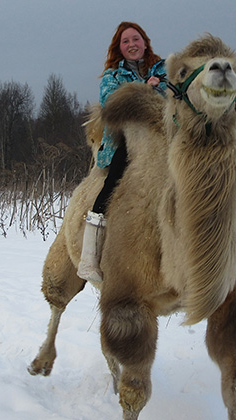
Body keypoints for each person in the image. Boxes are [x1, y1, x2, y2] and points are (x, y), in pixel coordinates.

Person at [77, 21, 167, 284]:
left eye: (136, 39)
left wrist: (159, 86)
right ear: (119, 48)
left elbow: (177, 96)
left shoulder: (164, 69)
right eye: (125, 41)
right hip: (125, 140)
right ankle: (88, 259)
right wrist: (145, 90)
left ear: (145, 42)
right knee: (112, 182)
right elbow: (111, 105)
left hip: (162, 139)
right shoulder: (112, 77)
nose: (132, 45)